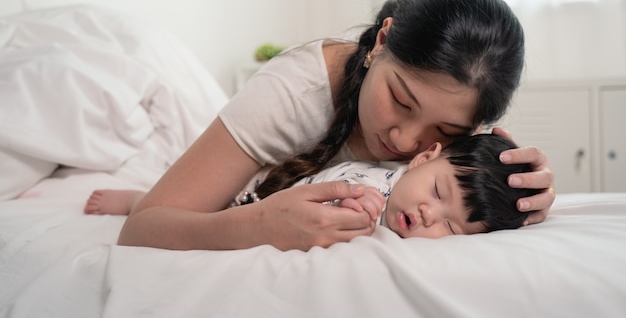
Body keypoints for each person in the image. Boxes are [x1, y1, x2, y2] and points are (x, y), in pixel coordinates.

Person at [113, 0, 555, 251]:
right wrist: (260, 225)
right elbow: (143, 229)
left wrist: (523, 196)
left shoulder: (451, 148)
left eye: (444, 131)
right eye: (401, 101)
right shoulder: (294, 91)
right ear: (382, 41)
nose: (404, 142)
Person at [86, 134, 539, 239]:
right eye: (437, 194)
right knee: (193, 210)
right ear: (422, 158)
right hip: (252, 192)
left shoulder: (405, 227)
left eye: (452, 229)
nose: (429, 216)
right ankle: (136, 198)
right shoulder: (375, 180)